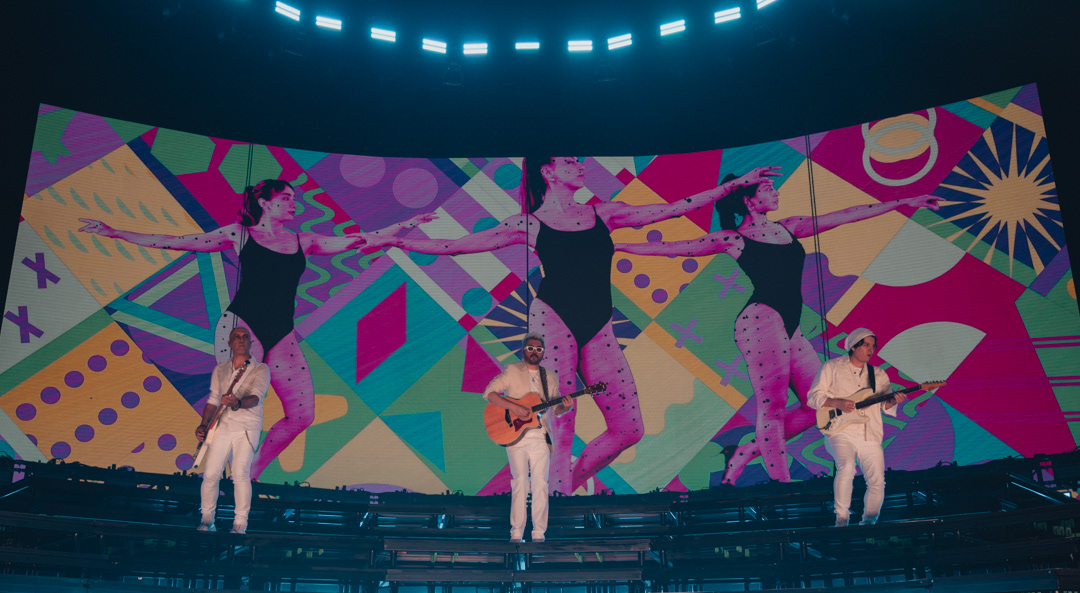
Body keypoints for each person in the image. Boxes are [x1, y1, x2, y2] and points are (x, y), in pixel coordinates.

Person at [365, 158, 781, 494]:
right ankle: (557, 504)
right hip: (553, 317)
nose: (580, 165)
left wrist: (733, 186)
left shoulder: (605, 213)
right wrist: (396, 240)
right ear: (548, 171)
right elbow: (456, 246)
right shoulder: (529, 223)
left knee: (629, 428)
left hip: (598, 324)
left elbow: (673, 208)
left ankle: (557, 490)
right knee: (563, 418)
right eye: (570, 161)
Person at [78, 180, 434, 478]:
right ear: (265, 202)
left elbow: (361, 240)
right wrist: (116, 232)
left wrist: (406, 224)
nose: (294, 203)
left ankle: (248, 475)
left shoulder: (304, 241)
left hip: (281, 332)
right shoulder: (240, 234)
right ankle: (209, 472)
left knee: (302, 415)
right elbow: (181, 241)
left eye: (295, 199)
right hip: (242, 325)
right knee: (238, 405)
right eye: (286, 198)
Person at [614, 174, 940, 485]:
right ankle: (780, 484)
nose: (775, 191)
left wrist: (902, 202)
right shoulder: (733, 239)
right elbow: (676, 247)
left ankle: (745, 452)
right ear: (749, 199)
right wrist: (619, 247)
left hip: (790, 324)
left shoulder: (789, 226)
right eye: (767, 187)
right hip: (761, 321)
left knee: (824, 404)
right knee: (772, 408)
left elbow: (845, 215)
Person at [806, 328, 906, 526]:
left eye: (873, 346)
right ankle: (842, 519)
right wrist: (836, 402)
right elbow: (813, 396)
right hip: (839, 430)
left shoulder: (878, 374)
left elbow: (885, 405)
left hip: (869, 432)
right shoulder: (832, 367)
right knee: (846, 467)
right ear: (853, 346)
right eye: (866, 345)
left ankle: (869, 523)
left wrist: (894, 401)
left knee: (877, 480)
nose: (871, 350)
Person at [484, 335, 573, 542]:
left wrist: (565, 408)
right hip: (516, 436)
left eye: (539, 349)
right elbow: (490, 393)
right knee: (520, 483)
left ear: (543, 353)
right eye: (531, 348)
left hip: (541, 436)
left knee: (541, 484)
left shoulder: (550, 376)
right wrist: (514, 407)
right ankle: (516, 533)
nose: (535, 352)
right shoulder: (512, 370)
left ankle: (539, 534)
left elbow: (555, 408)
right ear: (524, 349)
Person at [194, 327, 270, 533]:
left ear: (250, 343)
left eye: (245, 337)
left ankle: (240, 524)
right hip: (222, 426)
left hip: (246, 427)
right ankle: (207, 521)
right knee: (210, 474)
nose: (241, 340)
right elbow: (212, 400)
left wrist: (237, 403)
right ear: (229, 343)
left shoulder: (260, 368)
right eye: (237, 337)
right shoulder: (220, 369)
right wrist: (203, 424)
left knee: (240, 474)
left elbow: (256, 397)